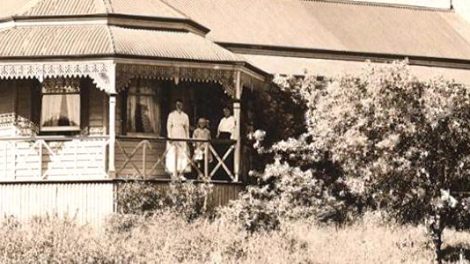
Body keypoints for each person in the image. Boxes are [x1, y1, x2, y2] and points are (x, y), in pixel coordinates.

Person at [165, 99, 191, 177]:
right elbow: (169, 126)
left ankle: (181, 173)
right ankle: (173, 172)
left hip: (182, 134)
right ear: (175, 105)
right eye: (177, 104)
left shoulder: (185, 116)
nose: (179, 106)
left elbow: (187, 128)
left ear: (182, 106)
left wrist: (187, 138)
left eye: (180, 104)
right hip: (174, 134)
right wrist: (170, 136)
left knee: (182, 153)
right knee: (173, 153)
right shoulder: (171, 115)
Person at [215, 107, 236, 180]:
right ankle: (220, 174)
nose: (225, 112)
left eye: (227, 111)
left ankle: (228, 176)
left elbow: (233, 129)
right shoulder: (222, 120)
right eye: (224, 111)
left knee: (227, 157)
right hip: (221, 138)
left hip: (228, 137)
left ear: (229, 111)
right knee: (220, 156)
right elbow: (219, 130)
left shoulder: (232, 119)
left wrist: (232, 138)